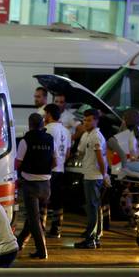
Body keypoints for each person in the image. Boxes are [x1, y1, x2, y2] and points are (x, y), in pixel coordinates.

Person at [15, 113, 55, 258]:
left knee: (33, 219)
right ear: (43, 123)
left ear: (29, 124)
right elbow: (55, 161)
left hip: (30, 185)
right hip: (46, 185)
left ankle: (42, 250)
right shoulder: (50, 139)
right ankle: (18, 242)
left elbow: (18, 162)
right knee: (35, 217)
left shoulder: (25, 140)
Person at [74, 109, 107, 249]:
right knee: (93, 206)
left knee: (92, 207)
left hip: (94, 176)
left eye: (89, 120)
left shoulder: (96, 136)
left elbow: (100, 159)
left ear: (96, 120)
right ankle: (95, 235)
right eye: (84, 120)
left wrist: (104, 175)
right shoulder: (86, 135)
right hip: (88, 174)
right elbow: (81, 152)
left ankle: (91, 239)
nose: (86, 123)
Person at [43, 104, 71, 239]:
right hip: (61, 168)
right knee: (58, 201)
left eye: (45, 113)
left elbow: (45, 151)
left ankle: (41, 228)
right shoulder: (66, 131)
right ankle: (56, 229)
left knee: (44, 200)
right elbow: (68, 152)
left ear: (48, 114)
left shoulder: (47, 129)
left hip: (49, 169)